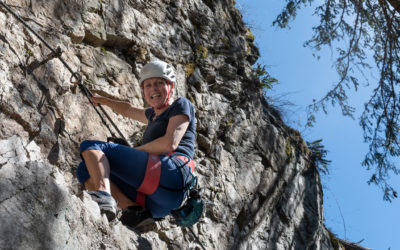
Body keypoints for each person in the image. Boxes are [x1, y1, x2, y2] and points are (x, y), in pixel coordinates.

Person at [75, 61, 197, 231]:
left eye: (158, 83)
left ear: (171, 86)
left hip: (172, 174)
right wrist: (102, 100)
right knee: (84, 170)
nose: (153, 88)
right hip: (157, 204)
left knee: (91, 146)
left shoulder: (180, 105)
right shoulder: (152, 115)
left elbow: (169, 143)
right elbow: (128, 109)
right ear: (143, 91)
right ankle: (135, 211)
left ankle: (103, 196)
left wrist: (131, 151)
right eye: (148, 85)